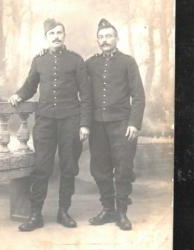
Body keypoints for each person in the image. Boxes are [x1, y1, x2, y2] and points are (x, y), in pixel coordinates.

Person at [9, 18, 91, 232]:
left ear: (64, 36)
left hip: (70, 121)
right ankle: (36, 215)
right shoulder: (39, 61)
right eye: (52, 33)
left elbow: (86, 95)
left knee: (68, 167)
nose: (56, 36)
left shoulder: (76, 60)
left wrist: (84, 124)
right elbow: (29, 85)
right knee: (41, 167)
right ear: (46, 38)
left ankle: (64, 211)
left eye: (59, 32)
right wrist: (18, 95)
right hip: (45, 121)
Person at [86, 18, 145, 231]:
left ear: (116, 38)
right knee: (99, 169)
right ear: (97, 40)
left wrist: (134, 123)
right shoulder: (90, 63)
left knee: (123, 168)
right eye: (101, 37)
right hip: (97, 126)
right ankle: (108, 209)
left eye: (109, 36)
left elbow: (138, 95)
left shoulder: (128, 62)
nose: (105, 40)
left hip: (122, 125)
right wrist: (45, 53)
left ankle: (122, 213)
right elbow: (73, 80)